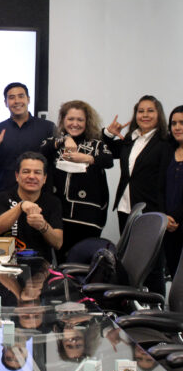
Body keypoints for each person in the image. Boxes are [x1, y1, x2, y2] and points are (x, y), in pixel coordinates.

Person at [103, 95, 171, 295]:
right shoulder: (130, 140)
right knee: (129, 262)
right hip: (126, 207)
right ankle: (131, 306)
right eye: (141, 111)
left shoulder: (165, 142)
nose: (145, 115)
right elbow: (107, 149)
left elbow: (167, 182)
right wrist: (109, 133)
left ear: (159, 114)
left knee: (153, 265)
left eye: (150, 110)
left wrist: (165, 213)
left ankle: (156, 307)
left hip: (151, 210)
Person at [40, 100, 113, 259]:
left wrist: (87, 158)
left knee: (84, 263)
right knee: (61, 261)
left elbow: (108, 161)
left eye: (80, 120)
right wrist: (64, 139)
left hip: (88, 217)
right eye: (70, 119)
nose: (75, 124)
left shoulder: (97, 144)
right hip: (59, 216)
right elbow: (41, 150)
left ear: (87, 122)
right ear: (63, 121)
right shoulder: (55, 142)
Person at [0, 152, 63, 263]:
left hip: (40, 266)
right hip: (5, 263)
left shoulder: (53, 202)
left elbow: (58, 243)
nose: (32, 176)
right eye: (26, 172)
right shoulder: (3, 197)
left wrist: (43, 226)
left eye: (37, 172)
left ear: (44, 178)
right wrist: (20, 206)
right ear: (17, 176)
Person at [0, 83, 55, 194]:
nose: (17, 101)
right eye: (11, 98)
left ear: (28, 99)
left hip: (39, 195)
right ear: (5, 103)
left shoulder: (47, 127)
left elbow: (53, 163)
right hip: (5, 194)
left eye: (21, 96)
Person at [165, 105, 183, 277]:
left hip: (179, 220)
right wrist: (164, 216)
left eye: (182, 123)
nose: (177, 127)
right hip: (168, 224)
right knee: (173, 272)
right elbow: (158, 187)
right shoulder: (167, 151)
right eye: (174, 123)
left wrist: (176, 217)